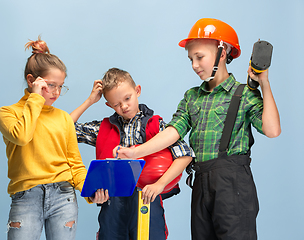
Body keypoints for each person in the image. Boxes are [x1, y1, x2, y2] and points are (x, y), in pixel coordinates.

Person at [115, 18, 281, 240]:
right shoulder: (192, 97)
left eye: (200, 57)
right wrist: (136, 152)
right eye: (191, 59)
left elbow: (271, 130)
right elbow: (173, 131)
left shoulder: (244, 94)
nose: (194, 65)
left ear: (223, 53)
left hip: (233, 184)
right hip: (201, 182)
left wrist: (264, 84)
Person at [0, 37, 107, 240]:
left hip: (63, 196)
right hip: (25, 197)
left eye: (60, 86)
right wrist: (36, 98)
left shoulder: (63, 118)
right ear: (32, 81)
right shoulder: (7, 113)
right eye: (50, 85)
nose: (56, 93)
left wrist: (89, 190)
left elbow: (75, 164)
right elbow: (22, 136)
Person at [70, 67, 195, 240]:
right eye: (116, 104)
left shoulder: (157, 126)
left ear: (137, 91)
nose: (124, 106)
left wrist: (160, 185)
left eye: (127, 98)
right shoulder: (102, 129)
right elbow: (64, 129)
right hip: (112, 204)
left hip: (147, 201)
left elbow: (185, 155)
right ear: (108, 105)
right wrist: (90, 101)